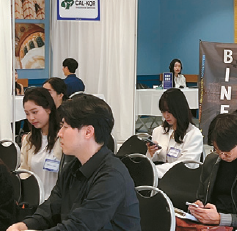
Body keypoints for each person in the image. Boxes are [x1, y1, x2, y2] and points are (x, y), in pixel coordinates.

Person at [8, 94, 140, 231]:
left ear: (88, 132)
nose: (60, 133)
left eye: (65, 127)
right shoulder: (72, 167)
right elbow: (52, 208)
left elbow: (82, 225)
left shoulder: (112, 176)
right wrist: (25, 225)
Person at [146, 88, 203, 177]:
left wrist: (153, 170)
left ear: (179, 110)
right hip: (158, 179)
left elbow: (185, 166)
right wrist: (151, 153)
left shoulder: (194, 135)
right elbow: (153, 159)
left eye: (169, 111)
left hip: (181, 183)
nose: (166, 116)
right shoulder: (158, 131)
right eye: (163, 111)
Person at [20, 87, 63, 202]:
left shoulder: (63, 136)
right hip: (35, 202)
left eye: (35, 112)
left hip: (58, 202)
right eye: (27, 114)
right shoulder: (29, 139)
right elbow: (24, 170)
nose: (31, 118)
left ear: (48, 108)